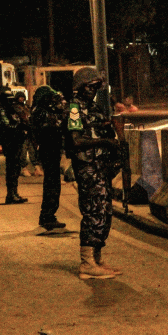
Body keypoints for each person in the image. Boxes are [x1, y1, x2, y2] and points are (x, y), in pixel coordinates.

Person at [65, 67, 122, 279]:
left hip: (101, 167)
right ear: (80, 88)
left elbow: (101, 127)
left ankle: (97, 259)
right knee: (93, 212)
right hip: (87, 168)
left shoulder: (94, 108)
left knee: (105, 212)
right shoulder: (74, 109)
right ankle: (86, 263)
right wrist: (104, 141)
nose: (93, 91)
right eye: (90, 87)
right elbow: (76, 140)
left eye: (96, 87)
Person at [31, 85, 68, 231]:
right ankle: (48, 215)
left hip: (51, 150)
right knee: (52, 184)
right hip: (48, 150)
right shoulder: (40, 112)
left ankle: (48, 215)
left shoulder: (44, 111)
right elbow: (48, 128)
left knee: (53, 184)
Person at [0, 88, 29, 204]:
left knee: (16, 168)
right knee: (11, 169)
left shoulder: (12, 110)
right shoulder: (2, 111)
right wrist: (18, 127)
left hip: (17, 141)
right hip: (10, 143)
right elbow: (6, 125)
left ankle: (15, 193)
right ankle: (10, 194)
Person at [15, 92, 43, 177]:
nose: (21, 99)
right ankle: (24, 168)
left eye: (22, 97)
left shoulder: (26, 107)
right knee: (23, 152)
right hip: (22, 133)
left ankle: (36, 168)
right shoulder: (15, 108)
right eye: (20, 97)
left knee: (32, 151)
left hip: (30, 133)